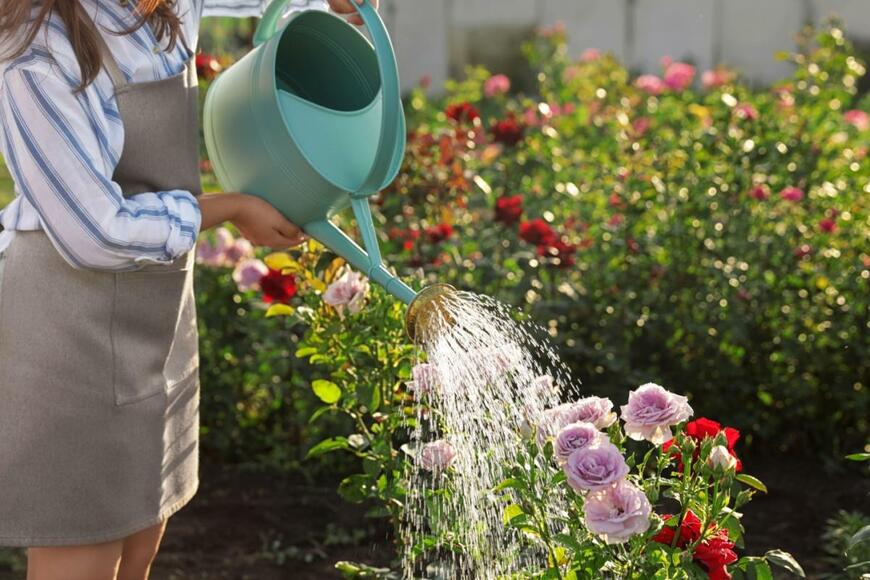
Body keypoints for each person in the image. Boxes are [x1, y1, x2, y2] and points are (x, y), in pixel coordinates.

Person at [0, 0, 377, 578]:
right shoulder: (35, 55)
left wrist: (332, 5)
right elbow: (94, 233)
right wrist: (229, 208)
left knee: (140, 544)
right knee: (83, 546)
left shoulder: (165, 5)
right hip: (67, 333)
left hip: (158, 313)